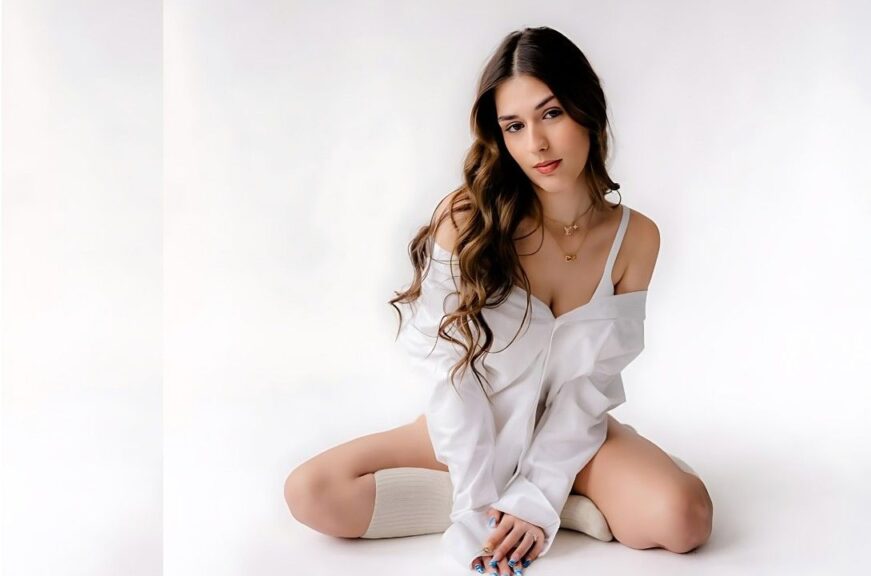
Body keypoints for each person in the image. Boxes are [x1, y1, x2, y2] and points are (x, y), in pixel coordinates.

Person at [284, 26, 713, 575]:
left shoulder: (636, 238)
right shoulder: (467, 221)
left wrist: (541, 489)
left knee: (685, 518)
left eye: (551, 113)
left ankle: (549, 504)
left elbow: (588, 389)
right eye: (515, 126)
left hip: (572, 439)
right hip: (470, 429)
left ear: (587, 109)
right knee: (312, 493)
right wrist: (472, 506)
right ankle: (517, 513)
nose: (536, 143)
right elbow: (450, 377)